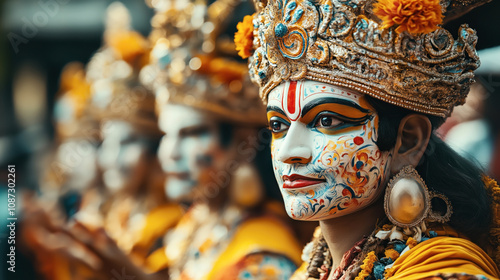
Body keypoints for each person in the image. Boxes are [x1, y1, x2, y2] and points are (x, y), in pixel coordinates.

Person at [235, 0, 500, 279]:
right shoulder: (315, 268)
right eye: (278, 126)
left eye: (326, 121)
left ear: (408, 141)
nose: (289, 151)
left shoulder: (442, 272)